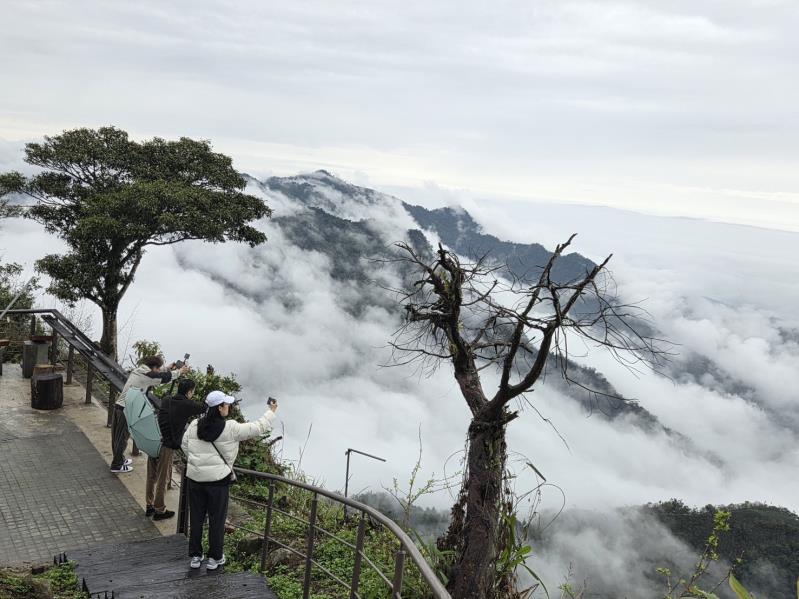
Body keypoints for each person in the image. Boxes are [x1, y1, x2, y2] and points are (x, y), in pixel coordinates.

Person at [181, 391, 278, 570]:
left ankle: (195, 556)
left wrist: (197, 464)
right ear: (219, 408)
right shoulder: (231, 428)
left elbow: (185, 445)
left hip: (195, 480)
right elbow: (258, 427)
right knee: (217, 521)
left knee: (196, 518)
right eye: (226, 404)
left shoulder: (195, 425)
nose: (229, 407)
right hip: (218, 482)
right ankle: (215, 558)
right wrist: (271, 412)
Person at [111, 356, 186, 474]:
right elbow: (160, 378)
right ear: (154, 367)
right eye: (159, 368)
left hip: (120, 406)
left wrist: (167, 368)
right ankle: (116, 465)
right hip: (126, 409)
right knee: (122, 438)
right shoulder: (146, 375)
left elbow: (155, 374)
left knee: (117, 436)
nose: (159, 370)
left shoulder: (140, 370)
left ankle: (119, 459)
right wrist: (179, 372)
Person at [145, 378, 206, 520]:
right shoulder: (187, 404)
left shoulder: (167, 400)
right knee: (163, 477)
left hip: (155, 440)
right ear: (189, 392)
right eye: (193, 391)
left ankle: (149, 506)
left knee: (151, 475)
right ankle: (159, 510)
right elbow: (204, 407)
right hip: (166, 446)